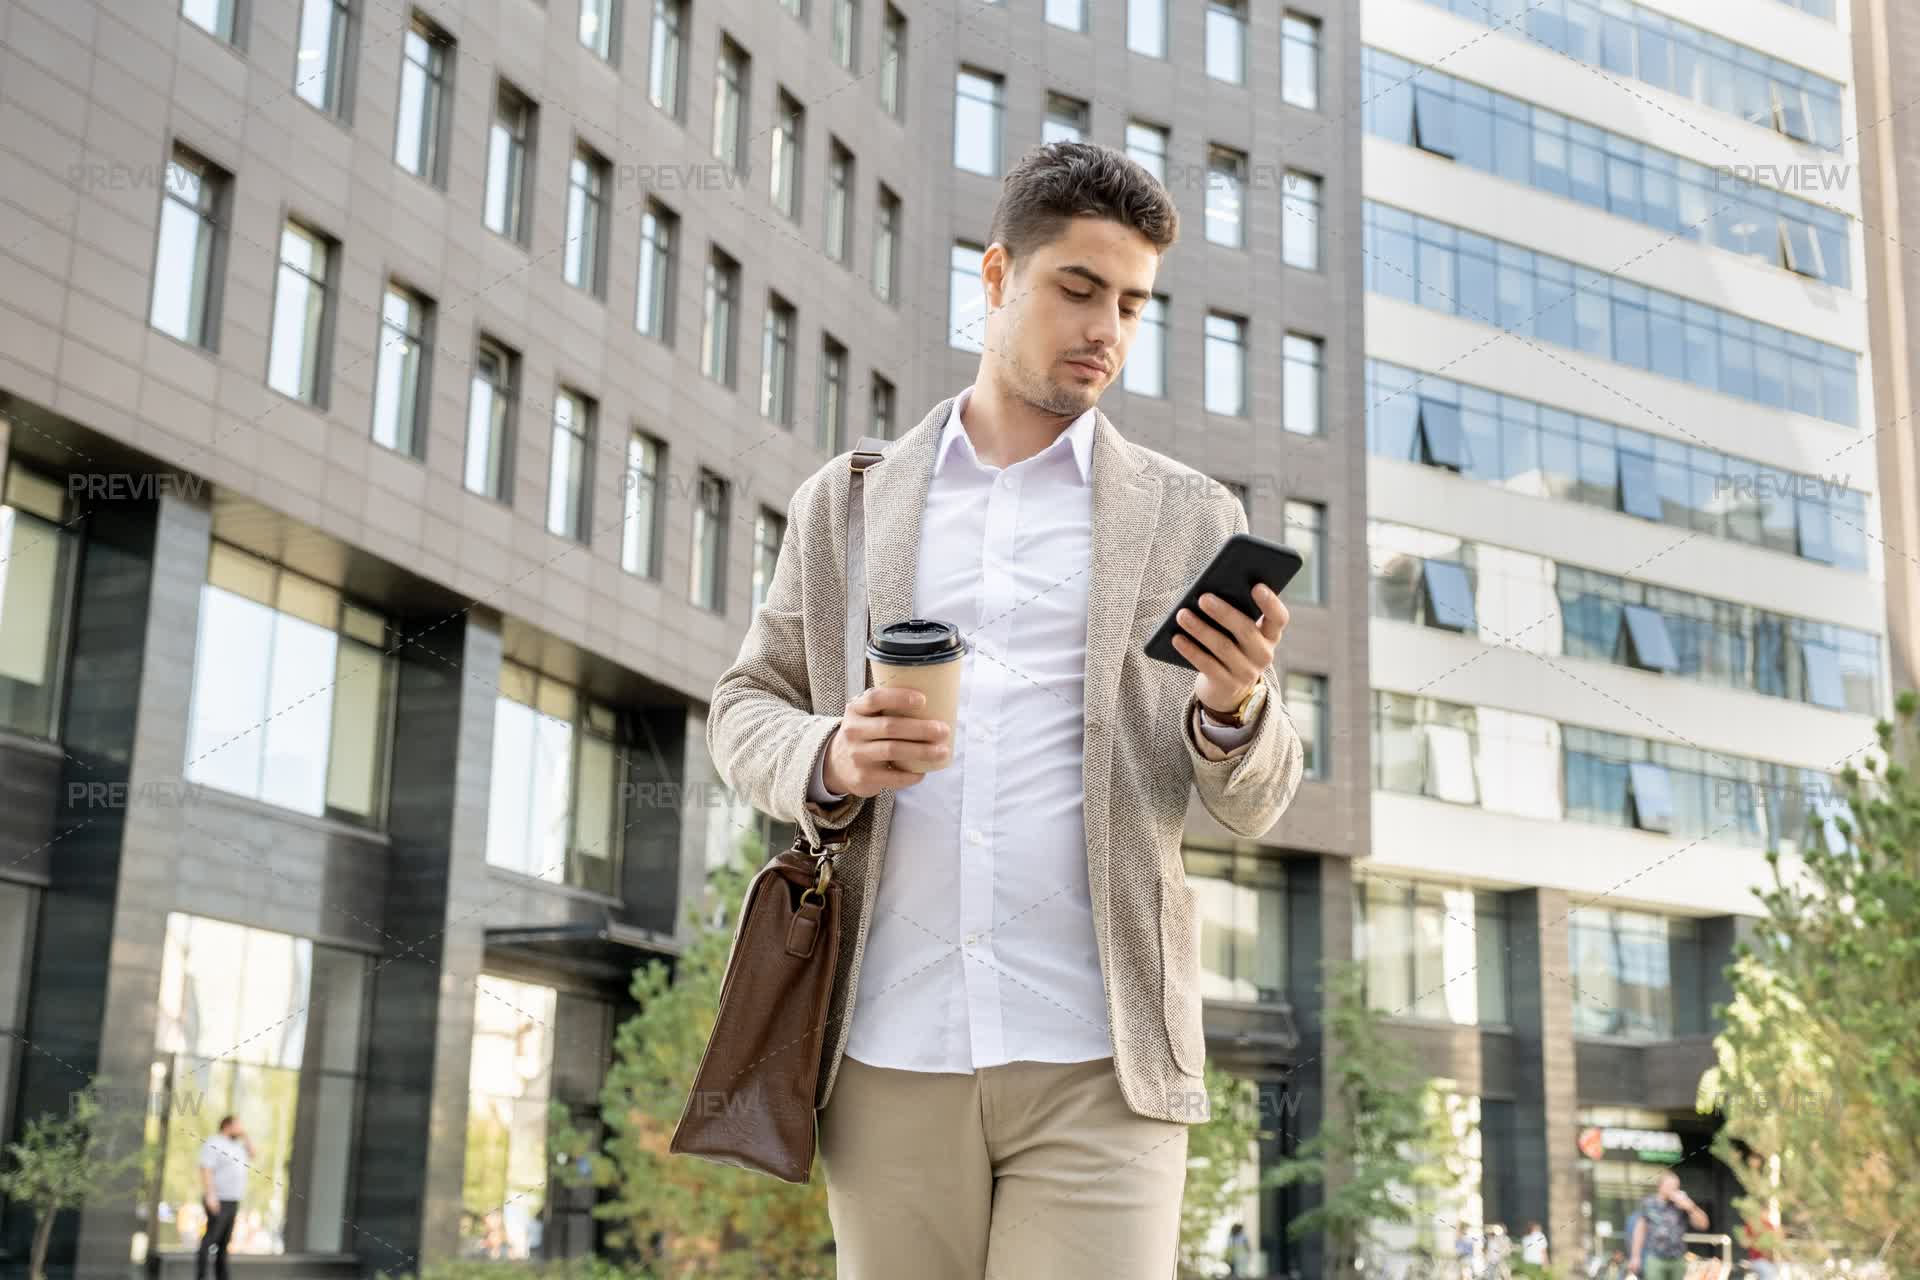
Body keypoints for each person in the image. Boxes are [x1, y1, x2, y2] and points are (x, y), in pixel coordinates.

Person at [707, 139, 1305, 1280]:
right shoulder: (851, 503)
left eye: (1132, 304)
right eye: (1078, 288)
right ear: (996, 276)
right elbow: (745, 705)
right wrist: (830, 753)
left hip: (1102, 1055)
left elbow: (1257, 798)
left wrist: (1234, 705)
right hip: (888, 1045)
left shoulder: (1191, 518)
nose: (1106, 329)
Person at [195, 1115, 253, 1280]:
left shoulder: (238, 1146)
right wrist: (210, 1195)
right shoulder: (214, 1142)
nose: (241, 1128)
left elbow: (253, 1153)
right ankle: (201, 1276)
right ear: (227, 1125)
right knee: (210, 1239)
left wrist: (245, 1135)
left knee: (224, 1242)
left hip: (233, 1199)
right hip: (218, 1199)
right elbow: (206, 1169)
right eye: (238, 1125)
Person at [1628, 1171, 1709, 1280]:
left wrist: (1690, 1207)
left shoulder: (1681, 1204)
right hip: (1655, 1257)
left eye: (1676, 1187)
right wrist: (1635, 1256)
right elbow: (1640, 1230)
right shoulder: (1648, 1203)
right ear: (1660, 1186)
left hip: (1678, 1258)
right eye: (1670, 1186)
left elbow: (1703, 1225)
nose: (1674, 1189)